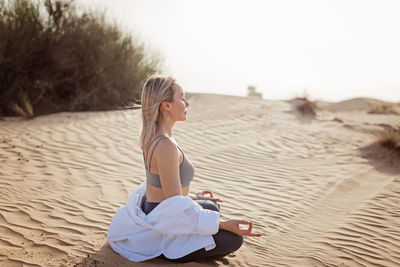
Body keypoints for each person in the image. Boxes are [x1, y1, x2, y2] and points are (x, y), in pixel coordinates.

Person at [107, 75, 262, 263]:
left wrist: (195, 198)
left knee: (212, 206)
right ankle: (162, 248)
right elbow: (173, 207)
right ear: (166, 106)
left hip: (160, 209)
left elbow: (162, 187)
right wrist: (223, 224)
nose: (187, 103)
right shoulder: (165, 145)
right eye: (182, 98)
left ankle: (186, 235)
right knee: (233, 239)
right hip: (163, 221)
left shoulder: (156, 137)